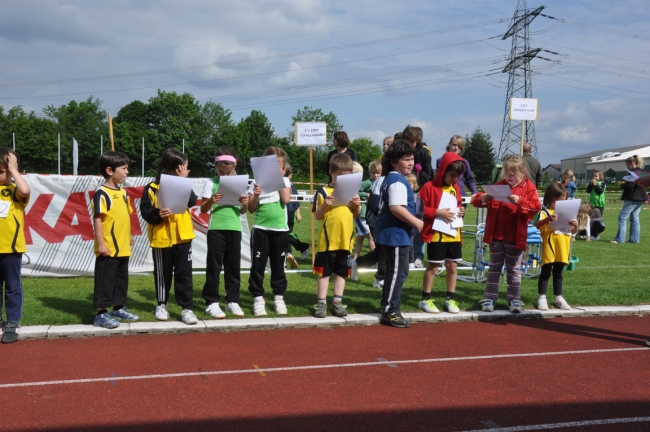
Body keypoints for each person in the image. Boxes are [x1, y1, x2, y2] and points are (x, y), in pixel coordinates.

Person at [471, 154, 541, 313]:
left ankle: (514, 300)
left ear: (522, 172)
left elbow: (536, 207)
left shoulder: (528, 186)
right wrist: (483, 197)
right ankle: (489, 298)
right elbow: (476, 201)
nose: (508, 177)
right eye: (506, 173)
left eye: (512, 175)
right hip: (496, 235)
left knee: (514, 270)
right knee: (494, 268)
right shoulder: (499, 185)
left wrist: (520, 201)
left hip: (515, 237)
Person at [140, 148, 199, 325]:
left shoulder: (185, 184)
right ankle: (162, 304)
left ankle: (186, 309)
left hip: (183, 237)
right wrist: (158, 214)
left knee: (184, 275)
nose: (188, 170)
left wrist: (183, 182)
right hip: (161, 237)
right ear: (176, 167)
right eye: (186, 167)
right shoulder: (151, 188)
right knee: (162, 274)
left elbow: (192, 202)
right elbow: (145, 211)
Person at [375, 140, 424, 328]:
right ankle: (390, 310)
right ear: (394, 161)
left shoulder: (393, 179)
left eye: (412, 159)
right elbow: (396, 207)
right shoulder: (396, 180)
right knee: (398, 272)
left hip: (395, 232)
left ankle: (388, 306)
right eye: (406, 159)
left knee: (396, 271)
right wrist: (417, 222)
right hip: (394, 233)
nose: (411, 163)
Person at [91, 151, 139, 330]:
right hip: (109, 248)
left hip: (123, 247)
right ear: (110, 170)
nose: (127, 172)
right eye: (124, 168)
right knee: (105, 280)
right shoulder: (101, 194)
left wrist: (129, 235)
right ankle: (101, 313)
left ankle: (118, 307)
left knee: (121, 279)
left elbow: (125, 216)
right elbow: (98, 219)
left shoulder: (124, 193)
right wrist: (102, 243)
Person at [200, 147, 249, 319]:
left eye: (228, 173)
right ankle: (211, 301)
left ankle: (232, 300)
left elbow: (244, 211)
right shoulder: (211, 182)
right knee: (214, 266)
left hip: (235, 229)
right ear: (215, 167)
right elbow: (203, 209)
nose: (225, 176)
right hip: (216, 229)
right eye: (221, 172)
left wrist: (245, 202)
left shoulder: (240, 183)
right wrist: (211, 201)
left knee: (233, 266)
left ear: (234, 168)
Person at [312, 154, 362, 318]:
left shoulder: (352, 192)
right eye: (339, 176)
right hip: (327, 242)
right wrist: (325, 205)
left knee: (341, 273)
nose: (342, 180)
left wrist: (358, 205)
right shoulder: (323, 192)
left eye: (346, 176)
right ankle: (321, 304)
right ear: (330, 172)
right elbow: (317, 216)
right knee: (324, 273)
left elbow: (356, 215)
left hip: (345, 242)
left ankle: (337, 303)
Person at [419, 151, 466, 314]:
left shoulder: (456, 189)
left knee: (452, 265)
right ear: (442, 170)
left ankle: (450, 298)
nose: (454, 179)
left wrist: (461, 211)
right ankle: (425, 299)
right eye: (451, 175)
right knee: (433, 266)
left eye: (457, 176)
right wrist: (436, 212)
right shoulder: (429, 187)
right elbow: (418, 209)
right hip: (436, 235)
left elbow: (458, 205)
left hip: (453, 234)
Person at [248, 147, 292, 316]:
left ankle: (278, 297)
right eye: (271, 165)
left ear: (283, 167)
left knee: (278, 265)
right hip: (260, 229)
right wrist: (256, 194)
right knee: (258, 265)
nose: (274, 168)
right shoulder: (256, 182)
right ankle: (258, 298)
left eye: (278, 165)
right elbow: (251, 209)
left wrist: (280, 179)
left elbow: (286, 199)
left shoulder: (285, 181)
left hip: (280, 230)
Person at [0, 148, 30, 343]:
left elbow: (25, 190)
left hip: (11, 250)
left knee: (12, 287)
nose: (3, 174)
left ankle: (12, 322)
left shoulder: (15, 192)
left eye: (5, 170)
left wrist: (12, 169)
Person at [535, 183, 577, 311]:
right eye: (557, 201)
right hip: (549, 247)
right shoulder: (545, 211)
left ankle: (559, 297)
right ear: (550, 198)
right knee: (545, 272)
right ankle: (542, 297)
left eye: (563, 200)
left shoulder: (568, 213)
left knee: (558, 273)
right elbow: (537, 224)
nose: (560, 203)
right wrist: (548, 219)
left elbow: (573, 231)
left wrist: (575, 224)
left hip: (563, 247)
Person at [612, 155, 647, 244]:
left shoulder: (633, 172)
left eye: (627, 165)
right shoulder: (642, 172)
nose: (627, 167)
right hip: (641, 198)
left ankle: (620, 239)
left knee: (622, 218)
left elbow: (630, 186)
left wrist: (622, 184)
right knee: (635, 218)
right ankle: (634, 239)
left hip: (632, 197)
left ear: (632, 163)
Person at [435, 135, 478, 205]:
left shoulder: (465, 162)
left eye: (459, 146)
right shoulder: (440, 161)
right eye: (454, 145)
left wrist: (475, 192)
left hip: (461, 197)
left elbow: (470, 180)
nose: (456, 148)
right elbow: (438, 179)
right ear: (449, 145)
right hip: (444, 196)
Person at [284, 164, 310, 266]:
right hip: (280, 213)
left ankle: (301, 247)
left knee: (285, 234)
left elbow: (297, 201)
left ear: (291, 176)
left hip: (289, 213)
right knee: (284, 235)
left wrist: (298, 213)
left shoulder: (292, 187)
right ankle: (289, 253)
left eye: (287, 175)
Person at [352, 162, 375, 265]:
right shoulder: (366, 183)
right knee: (371, 236)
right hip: (361, 215)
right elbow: (357, 191)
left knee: (360, 238)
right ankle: (374, 259)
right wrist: (368, 195)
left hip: (365, 214)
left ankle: (354, 260)